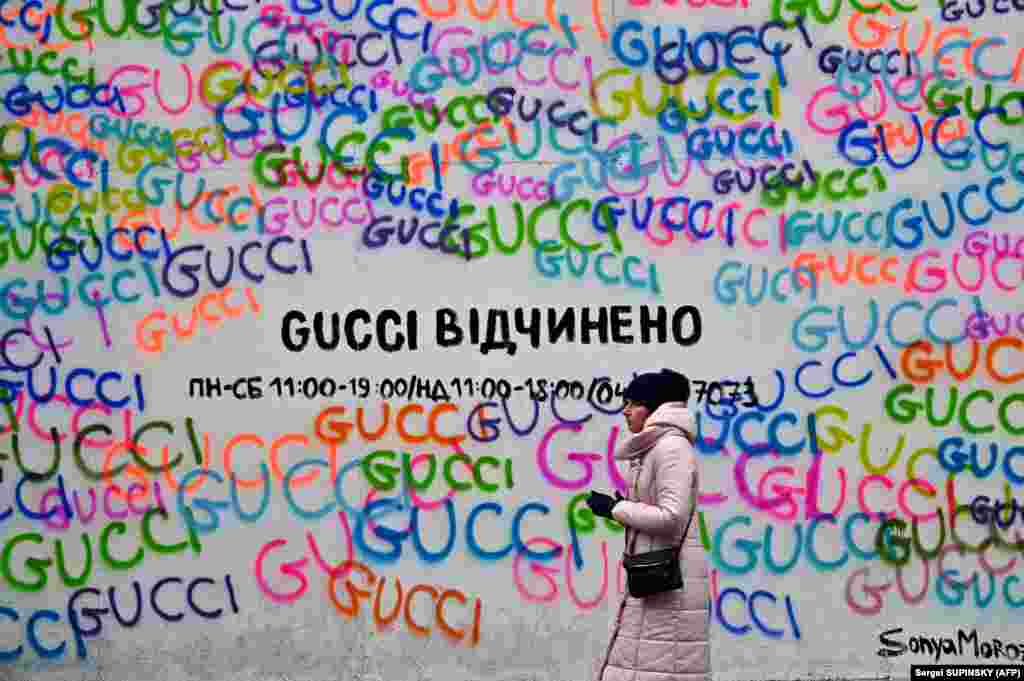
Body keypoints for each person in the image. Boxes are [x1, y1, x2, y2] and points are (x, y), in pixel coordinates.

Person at [586, 368, 710, 681]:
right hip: (655, 580)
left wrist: (617, 508)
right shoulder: (656, 447)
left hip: (668, 584)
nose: (625, 410)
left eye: (634, 402)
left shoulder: (671, 448)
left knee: (659, 669)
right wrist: (619, 509)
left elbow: (671, 517)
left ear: (656, 407)